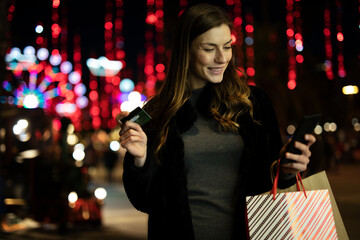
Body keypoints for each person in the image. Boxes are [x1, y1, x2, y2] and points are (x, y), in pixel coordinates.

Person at [116, 3, 316, 240]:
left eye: (227, 46)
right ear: (186, 50)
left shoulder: (253, 103)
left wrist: (287, 170)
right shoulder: (157, 112)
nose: (222, 58)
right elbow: (145, 201)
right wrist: (140, 161)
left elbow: (270, 182)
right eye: (209, 48)